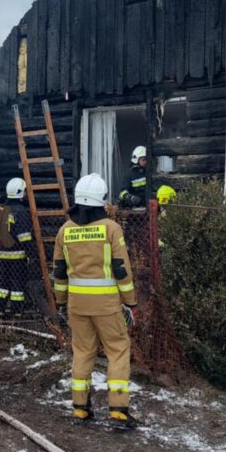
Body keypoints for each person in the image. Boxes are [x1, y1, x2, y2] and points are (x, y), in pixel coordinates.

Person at [54, 173, 139, 429]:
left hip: (77, 305)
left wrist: (60, 301)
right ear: (101, 201)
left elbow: (59, 272)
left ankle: (81, 409)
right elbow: (121, 269)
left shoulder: (64, 231)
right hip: (106, 304)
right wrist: (130, 302)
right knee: (118, 350)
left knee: (82, 352)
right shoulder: (111, 229)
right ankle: (119, 411)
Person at [0, 177, 33, 315]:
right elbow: (24, 236)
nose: (27, 194)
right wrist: (31, 253)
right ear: (20, 192)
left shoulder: (0, 209)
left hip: (2, 254)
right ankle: (16, 312)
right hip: (18, 255)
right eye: (25, 191)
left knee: (3, 284)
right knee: (17, 284)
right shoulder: (20, 211)